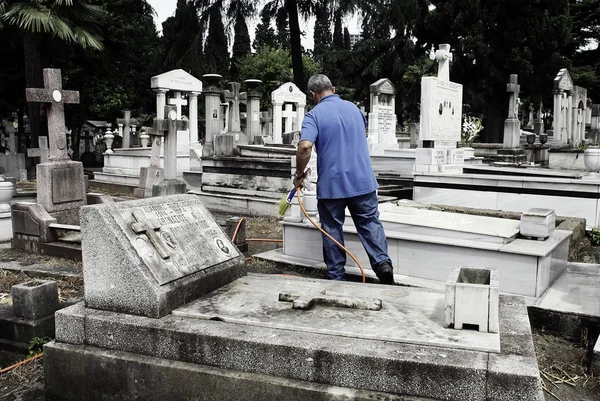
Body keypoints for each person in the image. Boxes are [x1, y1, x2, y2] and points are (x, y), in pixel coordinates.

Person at [293, 74, 394, 285]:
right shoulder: (354, 109)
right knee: (369, 223)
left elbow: (304, 146)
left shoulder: (314, 115)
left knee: (331, 229)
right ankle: (383, 265)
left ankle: (335, 276)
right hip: (363, 181)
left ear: (313, 95)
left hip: (333, 185)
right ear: (334, 88)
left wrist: (299, 174)